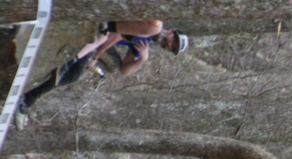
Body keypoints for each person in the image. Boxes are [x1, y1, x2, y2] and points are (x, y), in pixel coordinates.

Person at [18, 20, 188, 113]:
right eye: (173, 40)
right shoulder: (153, 25)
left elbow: (123, 71)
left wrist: (142, 60)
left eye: (171, 47)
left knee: (74, 75)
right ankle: (30, 96)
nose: (169, 43)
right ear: (171, 30)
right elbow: (114, 33)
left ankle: (28, 97)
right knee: (75, 70)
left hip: (102, 39)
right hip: (102, 28)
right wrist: (96, 56)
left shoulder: (145, 42)